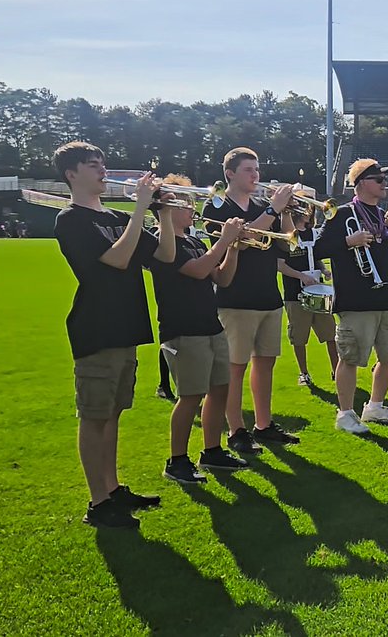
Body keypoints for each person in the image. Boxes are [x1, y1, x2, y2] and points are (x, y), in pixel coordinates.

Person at [52, 141, 175, 528]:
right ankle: (98, 502)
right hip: (96, 328)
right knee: (94, 416)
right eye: (93, 165)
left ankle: (112, 487)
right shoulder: (71, 219)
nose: (103, 171)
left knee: (114, 413)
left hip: (126, 327)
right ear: (72, 174)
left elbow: (166, 257)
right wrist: (140, 208)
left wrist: (165, 213)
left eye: (103, 163)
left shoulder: (119, 217)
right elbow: (118, 260)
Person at [145, 177, 251, 484]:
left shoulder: (194, 240)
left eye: (191, 202)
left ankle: (212, 450)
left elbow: (222, 278)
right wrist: (224, 239)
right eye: (184, 203)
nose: (192, 208)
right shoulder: (161, 242)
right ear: (167, 208)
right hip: (182, 328)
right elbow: (199, 270)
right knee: (190, 396)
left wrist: (233, 248)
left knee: (221, 389)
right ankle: (176, 461)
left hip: (210, 325)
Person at [201, 147, 299, 453]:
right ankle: (235, 429)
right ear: (230, 173)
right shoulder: (217, 205)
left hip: (269, 296)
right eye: (248, 170)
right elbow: (240, 241)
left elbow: (288, 246)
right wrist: (272, 210)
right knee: (235, 367)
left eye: (257, 169)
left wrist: (284, 213)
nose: (256, 175)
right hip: (236, 299)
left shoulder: (262, 204)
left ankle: (263, 424)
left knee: (265, 364)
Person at [316, 158, 388, 434]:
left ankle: (375, 406)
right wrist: (348, 242)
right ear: (361, 184)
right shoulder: (343, 214)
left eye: (384, 179)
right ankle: (345, 413)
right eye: (379, 180)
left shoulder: (382, 216)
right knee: (351, 357)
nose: (384, 184)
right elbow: (319, 248)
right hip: (357, 299)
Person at [278, 207, 338, 386]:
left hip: (318, 290)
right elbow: (280, 265)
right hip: (295, 294)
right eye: (304, 209)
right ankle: (304, 373)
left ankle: (337, 371)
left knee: (330, 334)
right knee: (299, 337)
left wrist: (324, 270)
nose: (308, 212)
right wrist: (301, 276)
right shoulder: (287, 235)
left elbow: (315, 256)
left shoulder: (314, 233)